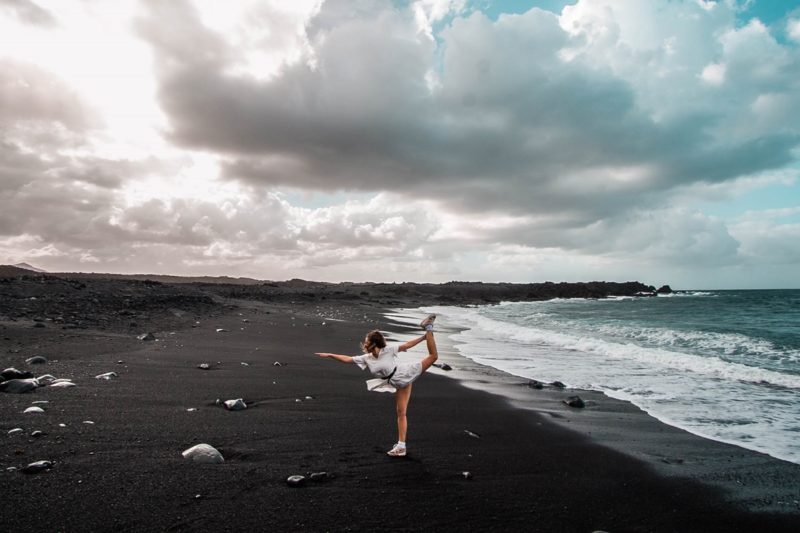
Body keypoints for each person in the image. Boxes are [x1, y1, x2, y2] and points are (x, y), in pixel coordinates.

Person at [315, 314, 438, 457]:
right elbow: (348, 359)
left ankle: (428, 327)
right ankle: (401, 447)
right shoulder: (366, 358)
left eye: (367, 341)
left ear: (373, 343)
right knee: (401, 413)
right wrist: (330, 354)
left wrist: (424, 338)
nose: (364, 343)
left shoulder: (388, 350)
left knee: (433, 357)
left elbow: (407, 345)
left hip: (405, 373)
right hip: (398, 383)